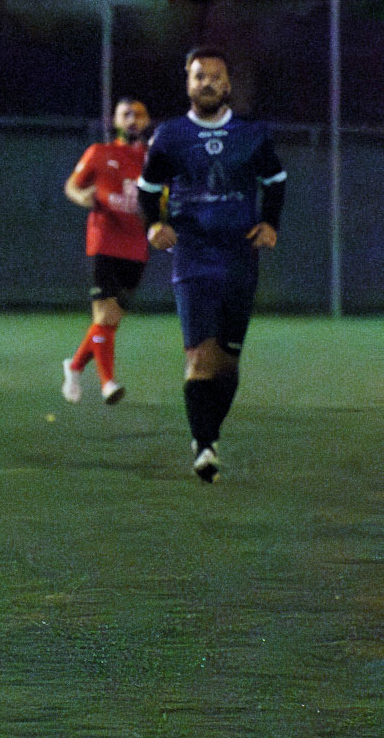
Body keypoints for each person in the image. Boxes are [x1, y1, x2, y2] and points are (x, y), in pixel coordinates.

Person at [137, 50, 285, 482]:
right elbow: (148, 191)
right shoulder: (169, 136)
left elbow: (276, 183)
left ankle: (209, 432)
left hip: (240, 253)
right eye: (199, 76)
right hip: (193, 254)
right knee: (200, 359)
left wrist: (270, 225)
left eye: (215, 77)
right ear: (188, 83)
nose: (207, 83)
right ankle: (204, 446)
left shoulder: (252, 134)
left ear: (228, 85)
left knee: (227, 363)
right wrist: (153, 227)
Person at [61, 97, 152, 406]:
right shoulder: (100, 153)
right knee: (105, 314)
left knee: (109, 321)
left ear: (147, 121)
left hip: (137, 246)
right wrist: (83, 196)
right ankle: (107, 383)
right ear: (115, 121)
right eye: (126, 114)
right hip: (105, 242)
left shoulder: (154, 161)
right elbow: (72, 186)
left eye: (138, 114)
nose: (133, 119)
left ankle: (73, 367)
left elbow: (163, 199)